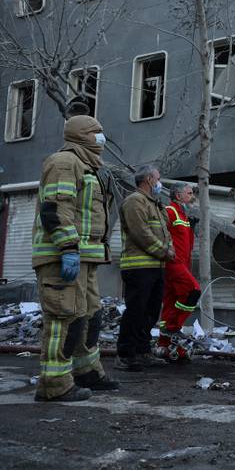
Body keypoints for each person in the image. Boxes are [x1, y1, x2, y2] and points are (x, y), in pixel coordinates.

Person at [31, 115, 119, 401]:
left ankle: (86, 372)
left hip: (85, 259)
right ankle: (54, 384)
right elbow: (56, 209)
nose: (101, 139)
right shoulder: (63, 162)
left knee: (88, 317)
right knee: (63, 319)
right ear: (81, 136)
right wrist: (68, 248)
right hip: (62, 258)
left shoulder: (89, 167)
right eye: (96, 133)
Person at [116, 165, 174, 371]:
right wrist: (164, 252)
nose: (160, 183)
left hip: (155, 267)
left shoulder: (153, 204)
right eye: (158, 179)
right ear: (149, 179)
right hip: (138, 268)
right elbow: (140, 233)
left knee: (150, 313)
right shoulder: (134, 201)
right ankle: (126, 355)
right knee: (136, 311)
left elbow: (165, 232)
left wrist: (166, 252)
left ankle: (142, 351)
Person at [155, 182, 200, 361]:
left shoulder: (182, 214)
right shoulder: (170, 210)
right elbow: (159, 232)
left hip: (182, 264)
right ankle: (173, 328)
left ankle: (164, 345)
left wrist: (191, 228)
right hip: (173, 264)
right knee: (193, 291)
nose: (192, 196)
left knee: (170, 302)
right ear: (178, 195)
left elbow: (185, 242)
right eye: (189, 193)